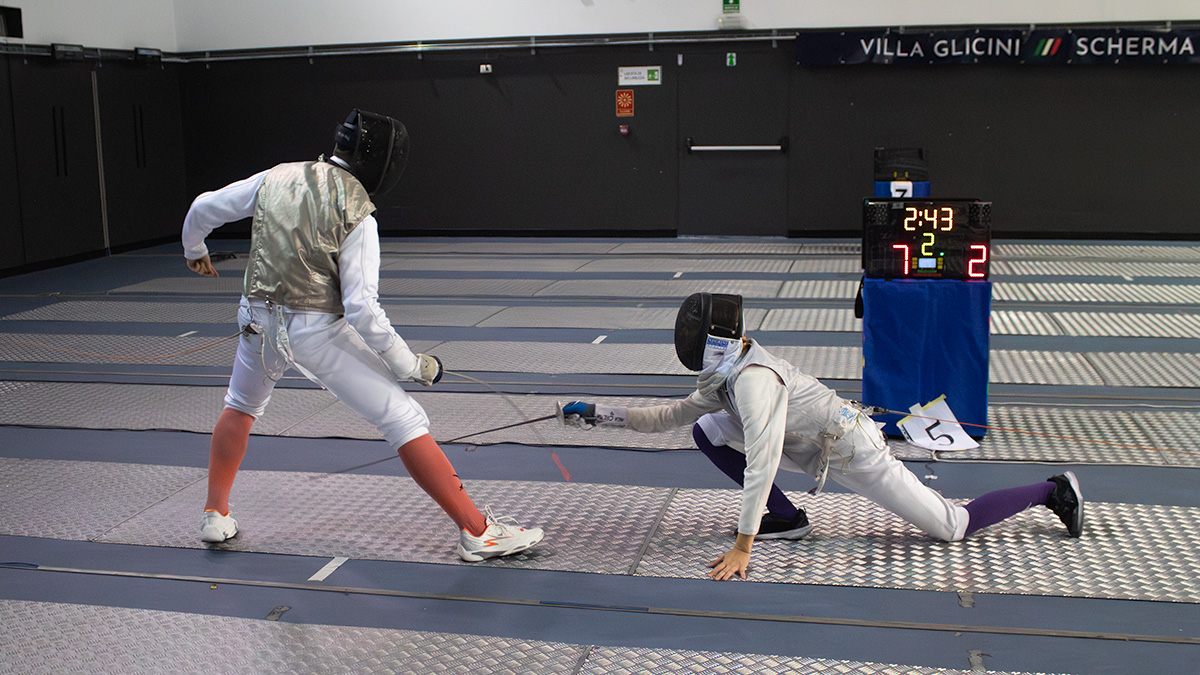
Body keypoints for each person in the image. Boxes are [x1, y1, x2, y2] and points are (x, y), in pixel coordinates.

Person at [182, 109, 543, 562]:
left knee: (241, 405)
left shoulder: (277, 177)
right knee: (403, 417)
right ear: (384, 164)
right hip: (314, 331)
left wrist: (194, 249)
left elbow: (203, 207)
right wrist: (410, 365)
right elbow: (362, 309)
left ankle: (215, 514)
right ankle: (478, 532)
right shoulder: (358, 212)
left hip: (256, 319)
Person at [559, 292, 1082, 581]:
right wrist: (598, 414)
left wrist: (742, 547)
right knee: (707, 428)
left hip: (854, 451)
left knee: (952, 526)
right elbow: (668, 416)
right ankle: (787, 520)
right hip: (809, 445)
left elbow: (762, 461)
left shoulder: (754, 383)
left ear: (713, 343)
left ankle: (1051, 490)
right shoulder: (728, 373)